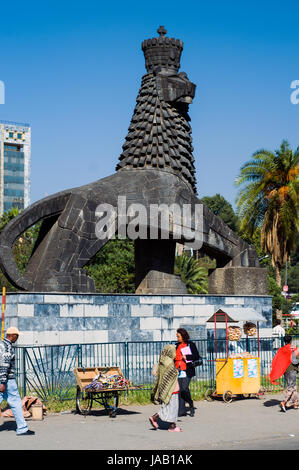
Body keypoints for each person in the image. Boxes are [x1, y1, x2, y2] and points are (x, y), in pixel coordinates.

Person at [0, 327, 35, 436]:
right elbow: (4, 365)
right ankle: (22, 428)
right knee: (15, 403)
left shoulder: (1, 344)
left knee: (14, 403)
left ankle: (22, 428)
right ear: (12, 335)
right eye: (17, 335)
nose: (18, 337)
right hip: (7, 380)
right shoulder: (7, 347)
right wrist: (2, 381)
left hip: (4, 379)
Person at [149, 344, 182, 432]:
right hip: (172, 388)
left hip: (166, 389)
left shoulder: (162, 360)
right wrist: (178, 370)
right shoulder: (169, 362)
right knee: (173, 408)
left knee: (167, 407)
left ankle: (157, 419)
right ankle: (172, 426)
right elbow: (172, 374)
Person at [175, 328, 201, 417]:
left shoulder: (190, 344)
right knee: (179, 391)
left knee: (184, 389)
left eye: (178, 336)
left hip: (187, 369)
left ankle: (190, 404)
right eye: (177, 336)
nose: (177, 338)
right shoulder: (176, 345)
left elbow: (196, 356)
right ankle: (181, 410)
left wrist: (187, 357)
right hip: (178, 370)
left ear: (183, 336)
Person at [270, 335, 299, 412]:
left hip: (285, 371)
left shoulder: (281, 349)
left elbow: (277, 360)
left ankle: (295, 403)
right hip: (292, 369)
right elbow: (297, 358)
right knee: (291, 386)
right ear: (291, 340)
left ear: (284, 341)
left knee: (294, 386)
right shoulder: (293, 348)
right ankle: (284, 402)